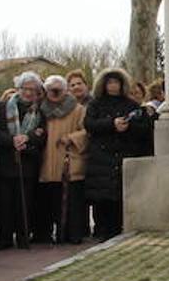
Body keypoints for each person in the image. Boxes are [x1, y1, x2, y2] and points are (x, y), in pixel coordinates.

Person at [84, 68, 151, 240]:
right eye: (109, 83)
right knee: (100, 197)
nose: (113, 86)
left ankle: (116, 229)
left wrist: (128, 126)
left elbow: (143, 128)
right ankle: (101, 229)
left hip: (123, 154)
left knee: (118, 196)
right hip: (100, 156)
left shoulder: (131, 105)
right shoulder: (95, 104)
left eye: (116, 82)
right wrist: (111, 124)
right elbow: (89, 124)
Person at [0, 72, 48, 250]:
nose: (28, 93)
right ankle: (4, 238)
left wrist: (27, 139)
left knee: (25, 203)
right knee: (4, 203)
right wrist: (12, 140)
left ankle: (23, 236)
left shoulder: (39, 112)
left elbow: (42, 135)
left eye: (33, 90)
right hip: (4, 162)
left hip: (27, 162)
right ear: (18, 89)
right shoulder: (1, 107)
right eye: (25, 89)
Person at [37, 75, 88, 245]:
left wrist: (72, 138)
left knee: (72, 202)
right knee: (49, 201)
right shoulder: (40, 110)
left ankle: (72, 235)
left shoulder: (78, 109)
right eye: (51, 90)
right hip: (47, 161)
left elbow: (87, 131)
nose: (55, 93)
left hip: (69, 160)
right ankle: (47, 235)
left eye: (58, 90)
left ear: (65, 90)